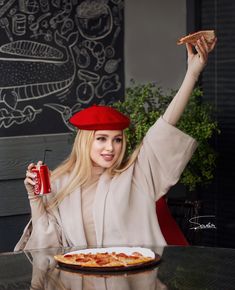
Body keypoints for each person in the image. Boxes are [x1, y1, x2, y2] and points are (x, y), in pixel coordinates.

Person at [15, 36, 217, 251]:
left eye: (117, 139)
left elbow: (164, 127)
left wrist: (192, 74)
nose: (110, 147)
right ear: (85, 142)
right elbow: (46, 246)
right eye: (101, 139)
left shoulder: (135, 176)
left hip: (131, 276)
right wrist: (35, 198)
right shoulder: (60, 183)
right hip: (80, 278)